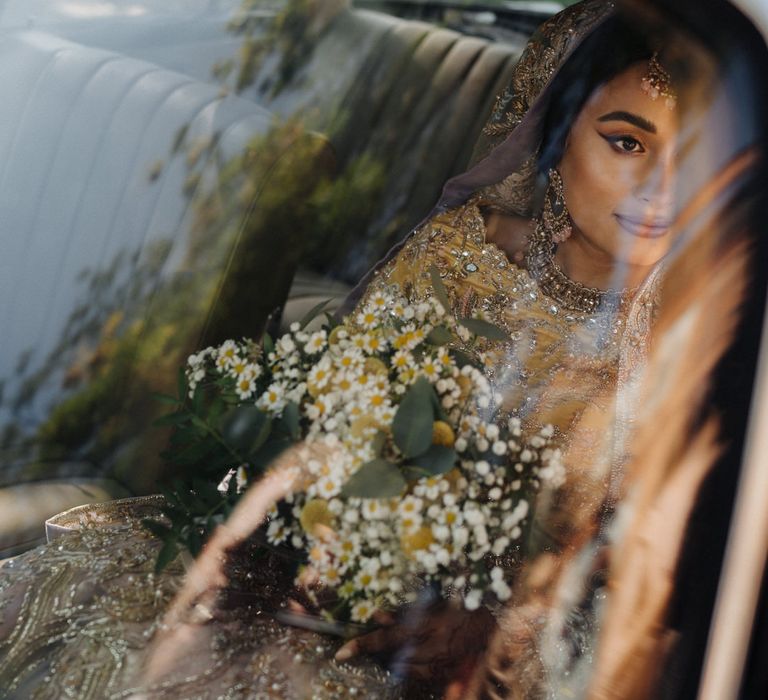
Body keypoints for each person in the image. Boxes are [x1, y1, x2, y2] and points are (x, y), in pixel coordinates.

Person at [0, 1, 764, 698]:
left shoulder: (709, 341)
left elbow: (670, 578)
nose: (665, 188)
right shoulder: (463, 249)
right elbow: (340, 405)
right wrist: (324, 538)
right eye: (627, 141)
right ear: (555, 133)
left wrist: (492, 620)